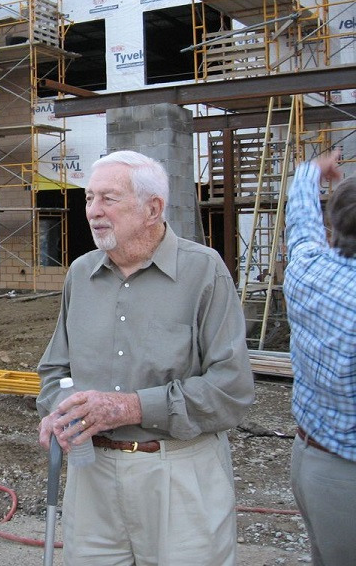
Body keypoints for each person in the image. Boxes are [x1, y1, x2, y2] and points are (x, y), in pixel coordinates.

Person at [37, 150, 255, 565]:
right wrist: (56, 410)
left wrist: (130, 407)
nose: (93, 212)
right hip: (91, 472)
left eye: (108, 199)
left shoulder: (204, 271)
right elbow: (55, 370)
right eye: (89, 198)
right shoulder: (80, 274)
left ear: (152, 208)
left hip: (179, 473)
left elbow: (231, 389)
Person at [284, 147, 355, 566]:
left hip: (312, 462)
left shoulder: (308, 269)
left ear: (333, 227)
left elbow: (301, 219)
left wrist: (312, 171)